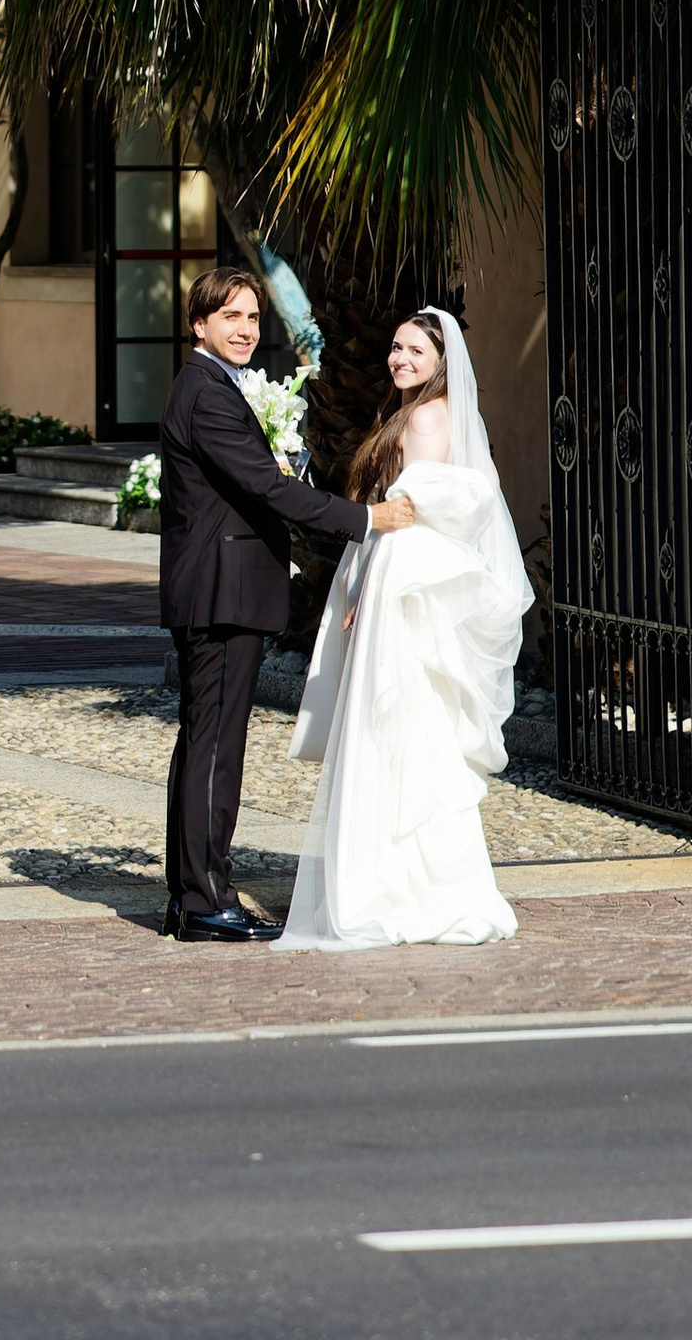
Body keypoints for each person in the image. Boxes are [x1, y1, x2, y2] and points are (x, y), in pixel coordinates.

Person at [156, 264, 413, 944]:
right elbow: (269, 493)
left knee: (204, 744)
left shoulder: (210, 386)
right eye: (230, 317)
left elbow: (255, 481)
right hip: (221, 595)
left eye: (251, 317)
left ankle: (193, 892)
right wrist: (367, 520)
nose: (245, 329)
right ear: (199, 324)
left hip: (218, 590)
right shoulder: (207, 394)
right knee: (214, 750)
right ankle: (205, 899)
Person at [277, 306, 530, 949]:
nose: (399, 360)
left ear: (443, 363)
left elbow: (409, 511)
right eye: (396, 348)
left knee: (392, 723)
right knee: (421, 730)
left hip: (401, 580)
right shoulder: (440, 416)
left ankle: (387, 887)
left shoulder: (422, 416)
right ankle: (425, 883)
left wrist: (366, 586)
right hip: (413, 577)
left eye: (416, 352)